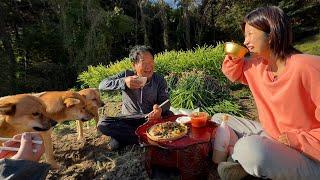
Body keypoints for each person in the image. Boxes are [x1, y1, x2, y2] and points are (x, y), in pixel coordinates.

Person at [212, 6, 320, 180]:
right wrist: (234, 56)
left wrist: (295, 140)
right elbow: (233, 73)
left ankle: (242, 158)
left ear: (271, 34)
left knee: (249, 149)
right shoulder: (259, 66)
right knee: (218, 119)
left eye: (250, 34)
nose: (245, 41)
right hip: (273, 136)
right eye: (244, 35)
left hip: (308, 155)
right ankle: (245, 160)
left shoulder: (308, 67)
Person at [98, 45, 172, 149]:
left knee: (169, 114)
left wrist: (159, 109)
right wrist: (124, 82)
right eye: (144, 63)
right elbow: (102, 85)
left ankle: (132, 138)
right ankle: (144, 139)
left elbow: (166, 101)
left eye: (151, 62)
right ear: (134, 64)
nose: (149, 67)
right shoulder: (126, 74)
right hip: (129, 120)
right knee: (103, 123)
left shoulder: (159, 79)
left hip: (150, 119)